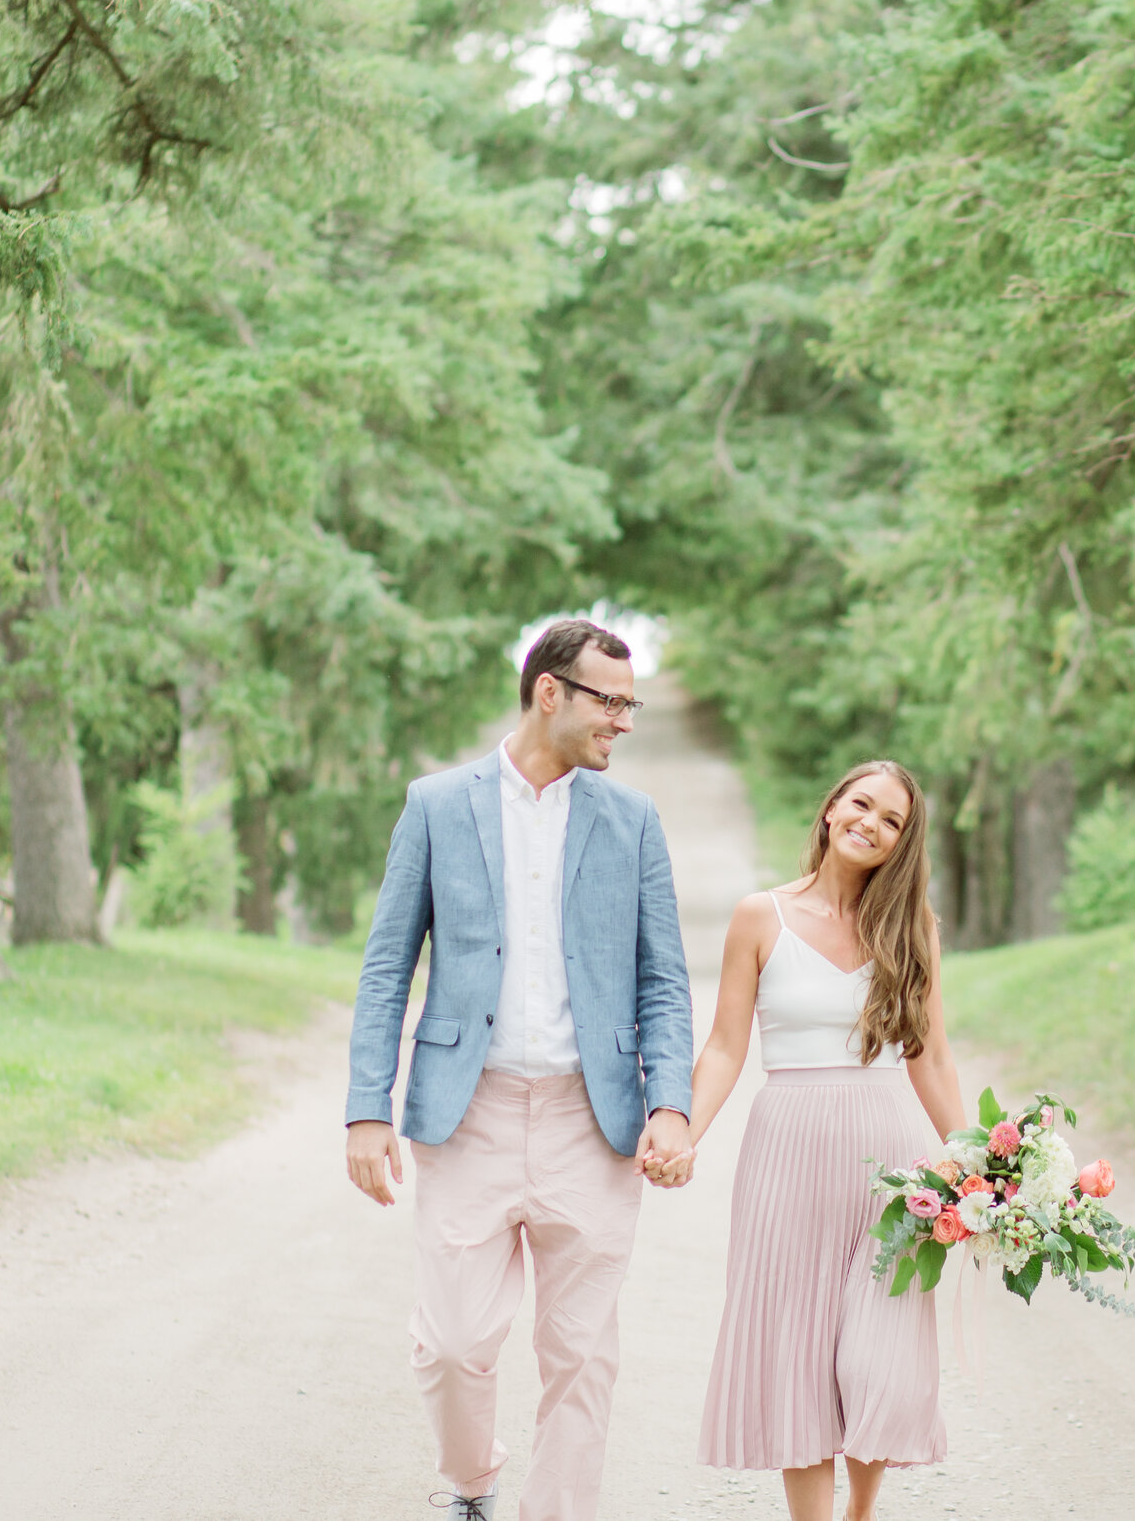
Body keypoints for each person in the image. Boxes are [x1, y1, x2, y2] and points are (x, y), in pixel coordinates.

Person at [343, 617, 696, 1521]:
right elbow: (389, 965)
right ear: (551, 692)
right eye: (609, 701)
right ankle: (471, 1481)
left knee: (580, 1352)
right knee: (458, 1343)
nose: (624, 720)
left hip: (594, 1119)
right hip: (469, 1116)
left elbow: (662, 977)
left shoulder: (634, 818)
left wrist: (672, 1104)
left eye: (631, 702)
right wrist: (365, 1110)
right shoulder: (435, 804)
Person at [658, 759, 965, 1521]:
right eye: (862, 804)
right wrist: (684, 1131)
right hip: (787, 1151)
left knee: (879, 1357)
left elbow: (929, 1052)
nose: (872, 823)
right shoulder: (760, 915)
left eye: (892, 820)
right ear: (832, 809)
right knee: (795, 1353)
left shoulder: (913, 926)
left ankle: (861, 1509)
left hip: (890, 1160)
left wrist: (973, 1152)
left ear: (902, 842)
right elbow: (727, 1046)